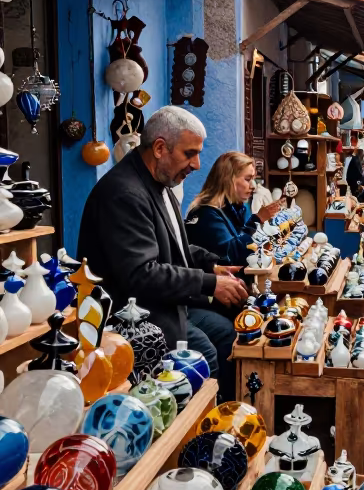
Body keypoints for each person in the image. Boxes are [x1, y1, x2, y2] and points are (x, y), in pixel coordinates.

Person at [77, 106, 248, 399]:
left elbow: (175, 245)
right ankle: (196, 434)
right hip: (137, 327)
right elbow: (141, 274)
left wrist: (212, 266)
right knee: (205, 354)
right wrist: (210, 284)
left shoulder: (160, 184)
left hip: (168, 309)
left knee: (224, 335)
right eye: (189, 153)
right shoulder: (124, 193)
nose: (196, 164)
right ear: (159, 148)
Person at [185, 151, 281, 266]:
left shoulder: (235, 210)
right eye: (247, 179)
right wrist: (257, 220)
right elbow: (235, 256)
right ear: (228, 180)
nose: (253, 186)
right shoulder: (206, 215)